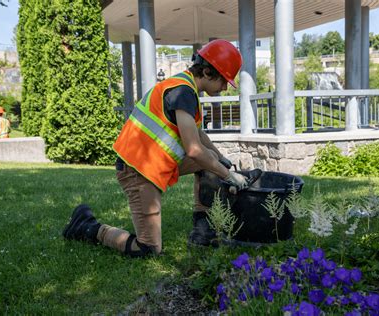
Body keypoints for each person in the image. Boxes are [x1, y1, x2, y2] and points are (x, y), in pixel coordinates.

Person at [62, 39, 251, 257]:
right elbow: (193, 150)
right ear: (208, 72)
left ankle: (203, 233)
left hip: (153, 163)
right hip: (137, 170)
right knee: (149, 248)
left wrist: (221, 160)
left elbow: (198, 135)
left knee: (210, 160)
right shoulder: (183, 91)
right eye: (224, 80)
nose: (226, 87)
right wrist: (228, 175)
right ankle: (88, 227)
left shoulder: (185, 87)